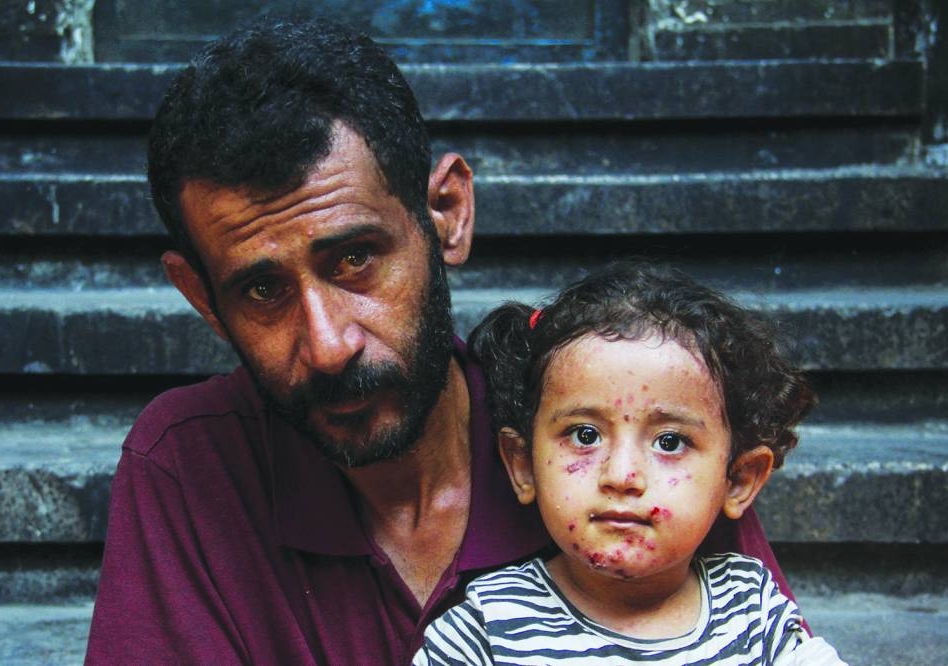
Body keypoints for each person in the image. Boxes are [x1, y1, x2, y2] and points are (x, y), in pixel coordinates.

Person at [86, 17, 798, 665]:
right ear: (202, 298)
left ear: (447, 214)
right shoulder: (190, 466)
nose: (329, 345)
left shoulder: (607, 429)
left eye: (356, 259)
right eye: (262, 290)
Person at [414, 261, 847, 665]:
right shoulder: (487, 627)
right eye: (585, 435)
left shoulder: (754, 610)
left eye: (670, 441)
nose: (622, 476)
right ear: (523, 466)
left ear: (738, 480)